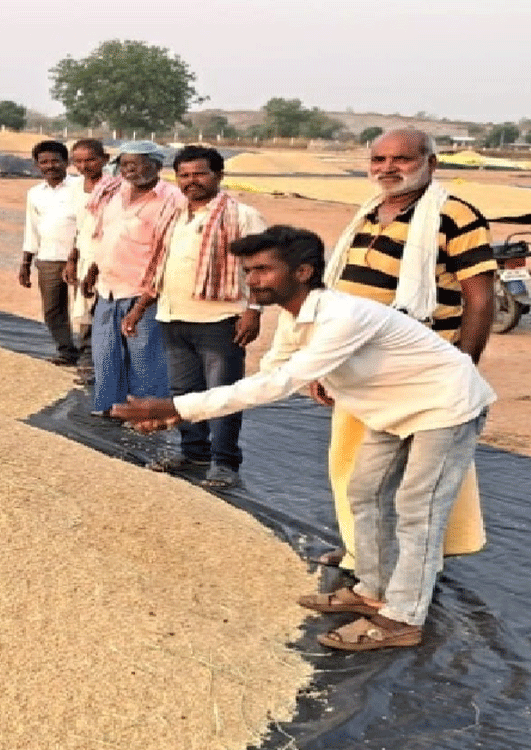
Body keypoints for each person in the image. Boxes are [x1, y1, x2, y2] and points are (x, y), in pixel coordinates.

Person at [113, 225, 495, 651]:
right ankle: (371, 589)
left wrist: (174, 407)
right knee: (364, 492)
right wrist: (173, 417)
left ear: (303, 272)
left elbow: (281, 384)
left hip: (445, 406)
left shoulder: (341, 316)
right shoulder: (296, 318)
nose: (252, 280)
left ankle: (403, 618)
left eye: (262, 270)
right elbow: (270, 374)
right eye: (248, 271)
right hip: (390, 409)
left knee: (417, 510)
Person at [319, 128, 497, 569]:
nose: (387, 168)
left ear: (431, 164)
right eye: (378, 160)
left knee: (417, 479)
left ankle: (409, 567)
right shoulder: (368, 212)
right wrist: (326, 366)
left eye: (400, 159)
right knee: (353, 467)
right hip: (360, 367)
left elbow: (480, 296)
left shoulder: (454, 215)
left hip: (422, 371)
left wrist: (464, 366)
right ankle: (364, 550)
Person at [122, 145, 267, 488]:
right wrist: (141, 307)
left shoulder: (242, 216)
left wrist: (254, 310)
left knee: (223, 394)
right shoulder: (174, 214)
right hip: (173, 317)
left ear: (218, 175)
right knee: (184, 392)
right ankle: (193, 452)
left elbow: (262, 268)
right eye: (184, 175)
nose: (191, 181)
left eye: (200, 173)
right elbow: (160, 266)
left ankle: (224, 463)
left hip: (220, 320)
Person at [80, 140, 182, 415]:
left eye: (137, 165)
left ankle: (146, 412)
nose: (130, 171)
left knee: (144, 355)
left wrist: (142, 303)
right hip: (108, 287)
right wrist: (92, 270)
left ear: (156, 166)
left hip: (143, 291)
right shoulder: (115, 193)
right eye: (125, 165)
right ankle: (110, 406)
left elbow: (166, 252)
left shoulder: (172, 199)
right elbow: (103, 235)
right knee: (105, 352)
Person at [18, 140, 82, 366]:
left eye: (55, 160)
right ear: (37, 165)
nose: (50, 166)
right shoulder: (35, 193)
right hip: (48, 259)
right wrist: (26, 262)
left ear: (66, 162)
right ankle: (66, 351)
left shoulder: (82, 187)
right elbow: (32, 227)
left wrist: (76, 256)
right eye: (44, 162)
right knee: (53, 310)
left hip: (81, 259)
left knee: (84, 309)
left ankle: (90, 356)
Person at [63, 139, 117, 385]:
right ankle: (88, 360)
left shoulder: (115, 188)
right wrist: (72, 259)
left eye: (90, 160)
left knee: (104, 311)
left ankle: (105, 365)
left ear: (104, 159)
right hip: (84, 253)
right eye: (78, 161)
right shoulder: (75, 188)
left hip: (108, 257)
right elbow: (80, 226)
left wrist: (97, 264)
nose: (84, 166)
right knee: (84, 310)